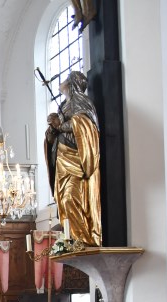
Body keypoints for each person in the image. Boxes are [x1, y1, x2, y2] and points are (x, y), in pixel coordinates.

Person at [45, 70, 101, 246]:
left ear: (72, 84)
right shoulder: (64, 104)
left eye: (66, 80)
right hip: (61, 159)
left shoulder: (80, 101)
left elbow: (84, 124)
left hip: (76, 160)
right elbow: (54, 134)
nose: (62, 83)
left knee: (71, 198)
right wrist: (51, 131)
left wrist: (60, 126)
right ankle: (72, 239)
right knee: (63, 199)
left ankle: (82, 239)